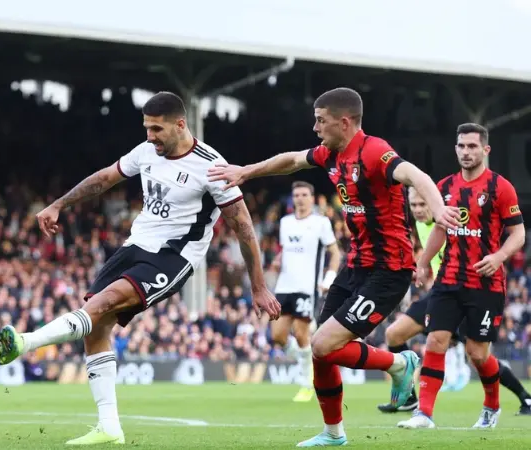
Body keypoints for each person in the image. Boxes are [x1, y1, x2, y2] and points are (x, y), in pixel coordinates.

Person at [0, 91, 281, 446]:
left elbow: (244, 227)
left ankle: (24, 342)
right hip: (133, 248)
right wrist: (59, 204)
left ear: (180, 124)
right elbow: (104, 179)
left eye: (157, 129)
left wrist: (259, 286)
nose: (150, 136)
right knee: (94, 328)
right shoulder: (147, 152)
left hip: (173, 257)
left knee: (99, 305)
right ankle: (109, 427)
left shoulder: (212, 167)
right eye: (146, 128)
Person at [207, 87, 460, 447]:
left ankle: (399, 364)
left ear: (344, 122)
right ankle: (333, 433)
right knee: (319, 349)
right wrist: (246, 171)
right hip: (355, 265)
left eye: (320, 120)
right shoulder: (330, 153)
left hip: (388, 270)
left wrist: (437, 209)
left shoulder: (374, 151)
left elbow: (416, 176)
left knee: (323, 343)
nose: (314, 127)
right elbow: (292, 160)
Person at [398, 123, 526, 429]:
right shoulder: (444, 187)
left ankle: (491, 406)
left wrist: (498, 257)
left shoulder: (500, 187)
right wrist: (423, 262)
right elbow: (440, 230)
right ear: (455, 149)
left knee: (477, 354)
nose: (466, 152)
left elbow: (518, 233)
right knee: (435, 341)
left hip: (485, 284)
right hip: (448, 279)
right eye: (461, 146)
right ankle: (424, 414)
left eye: (472, 146)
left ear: (485, 149)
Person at [377, 187, 531, 415]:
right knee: (393, 334)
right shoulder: (422, 226)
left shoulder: (455, 223)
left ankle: (525, 398)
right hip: (440, 294)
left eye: (423, 205)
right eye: (414, 205)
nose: (418, 211)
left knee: (478, 356)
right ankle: (410, 397)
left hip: (466, 293)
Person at [272, 181, 341, 402]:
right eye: (296, 195)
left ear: (312, 198)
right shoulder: (285, 223)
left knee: (302, 334)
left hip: (307, 287)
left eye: (304, 194)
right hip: (284, 286)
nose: (300, 198)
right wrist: (278, 260)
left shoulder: (321, 223)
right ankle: (305, 361)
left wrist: (328, 278)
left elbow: (335, 254)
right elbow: (286, 251)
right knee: (278, 336)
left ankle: (306, 382)